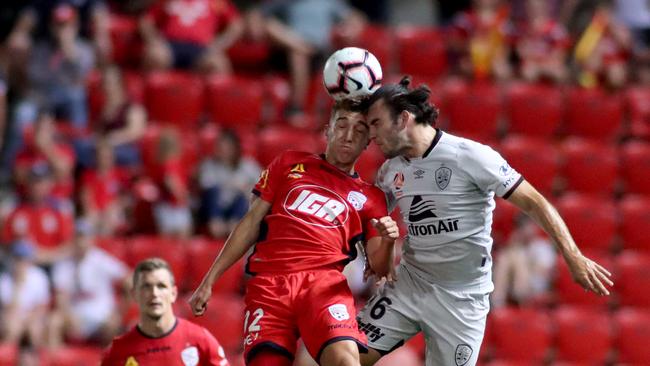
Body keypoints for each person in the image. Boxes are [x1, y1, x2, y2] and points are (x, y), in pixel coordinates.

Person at [356, 77, 614, 366]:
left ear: (403, 118)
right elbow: (370, 219)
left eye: (376, 123)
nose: (371, 135)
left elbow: (535, 202)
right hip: (409, 287)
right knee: (344, 358)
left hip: (461, 300)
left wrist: (573, 255)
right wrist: (372, 253)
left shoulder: (470, 156)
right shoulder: (389, 171)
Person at [189, 99, 399, 366]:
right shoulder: (289, 163)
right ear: (328, 130)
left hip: (324, 286)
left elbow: (380, 268)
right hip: (270, 284)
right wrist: (210, 279)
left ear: (368, 141)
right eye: (342, 125)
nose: (348, 136)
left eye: (359, 130)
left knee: (346, 362)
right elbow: (252, 221)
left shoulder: (371, 198)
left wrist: (390, 240)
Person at [101, 257, 230, 365]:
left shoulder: (201, 341)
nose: (154, 293)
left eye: (161, 286)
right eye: (146, 287)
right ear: (134, 295)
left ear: (173, 293)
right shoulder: (117, 352)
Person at [48, 220, 130, 348]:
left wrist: (119, 311)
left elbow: (128, 279)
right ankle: (55, 361)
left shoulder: (101, 260)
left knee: (114, 324)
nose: (81, 242)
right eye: (78, 237)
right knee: (54, 321)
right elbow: (60, 296)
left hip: (101, 317)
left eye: (84, 237)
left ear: (91, 240)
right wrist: (68, 315)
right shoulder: (63, 264)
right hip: (74, 316)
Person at [197, 129, 261, 238]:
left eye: (227, 148)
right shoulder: (209, 165)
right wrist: (232, 185)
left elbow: (263, 182)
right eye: (220, 147)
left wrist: (246, 188)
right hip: (215, 209)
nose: (223, 151)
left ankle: (233, 226)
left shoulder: (247, 165)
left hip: (236, 208)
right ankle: (216, 225)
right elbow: (205, 185)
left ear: (235, 149)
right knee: (213, 191)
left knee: (244, 197)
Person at [0, 240, 50, 348]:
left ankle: (35, 360)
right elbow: (9, 309)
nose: (20, 263)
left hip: (33, 316)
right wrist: (17, 286)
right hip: (14, 316)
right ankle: (9, 360)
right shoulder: (5, 279)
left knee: (35, 328)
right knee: (11, 326)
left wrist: (28, 319)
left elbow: (41, 307)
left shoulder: (39, 277)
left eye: (23, 259)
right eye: (17, 258)